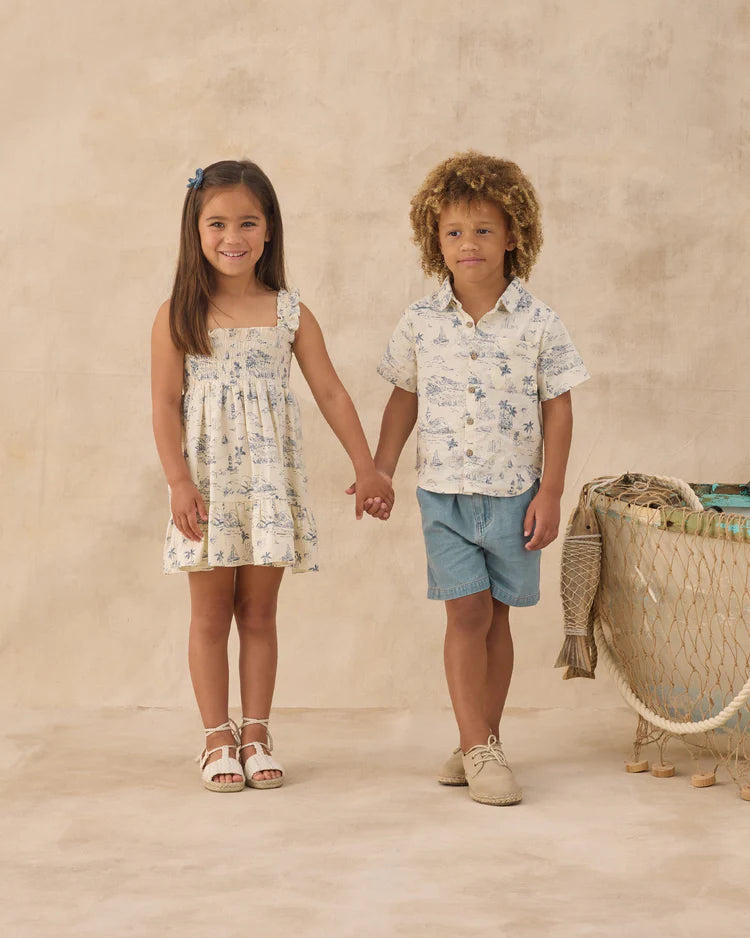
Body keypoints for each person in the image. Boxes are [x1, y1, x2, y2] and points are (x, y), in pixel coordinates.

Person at [151, 160, 393, 792]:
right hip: (206, 488)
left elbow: (333, 393)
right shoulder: (179, 314)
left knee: (258, 614)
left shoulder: (289, 314)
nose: (234, 236)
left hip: (265, 490)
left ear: (269, 229)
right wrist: (179, 480)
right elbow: (162, 404)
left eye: (248, 222)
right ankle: (215, 737)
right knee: (209, 615)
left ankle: (255, 731)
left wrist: (366, 466)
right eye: (218, 223)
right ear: (195, 230)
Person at [363, 151, 589, 805]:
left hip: (516, 493)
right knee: (464, 611)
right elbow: (403, 396)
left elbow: (559, 404)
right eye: (455, 232)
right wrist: (380, 464)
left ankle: (479, 739)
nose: (469, 244)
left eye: (484, 230)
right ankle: (480, 747)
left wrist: (551, 489)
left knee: (497, 619)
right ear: (435, 239)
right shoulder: (420, 321)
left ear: (513, 234)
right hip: (444, 492)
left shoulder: (540, 323)